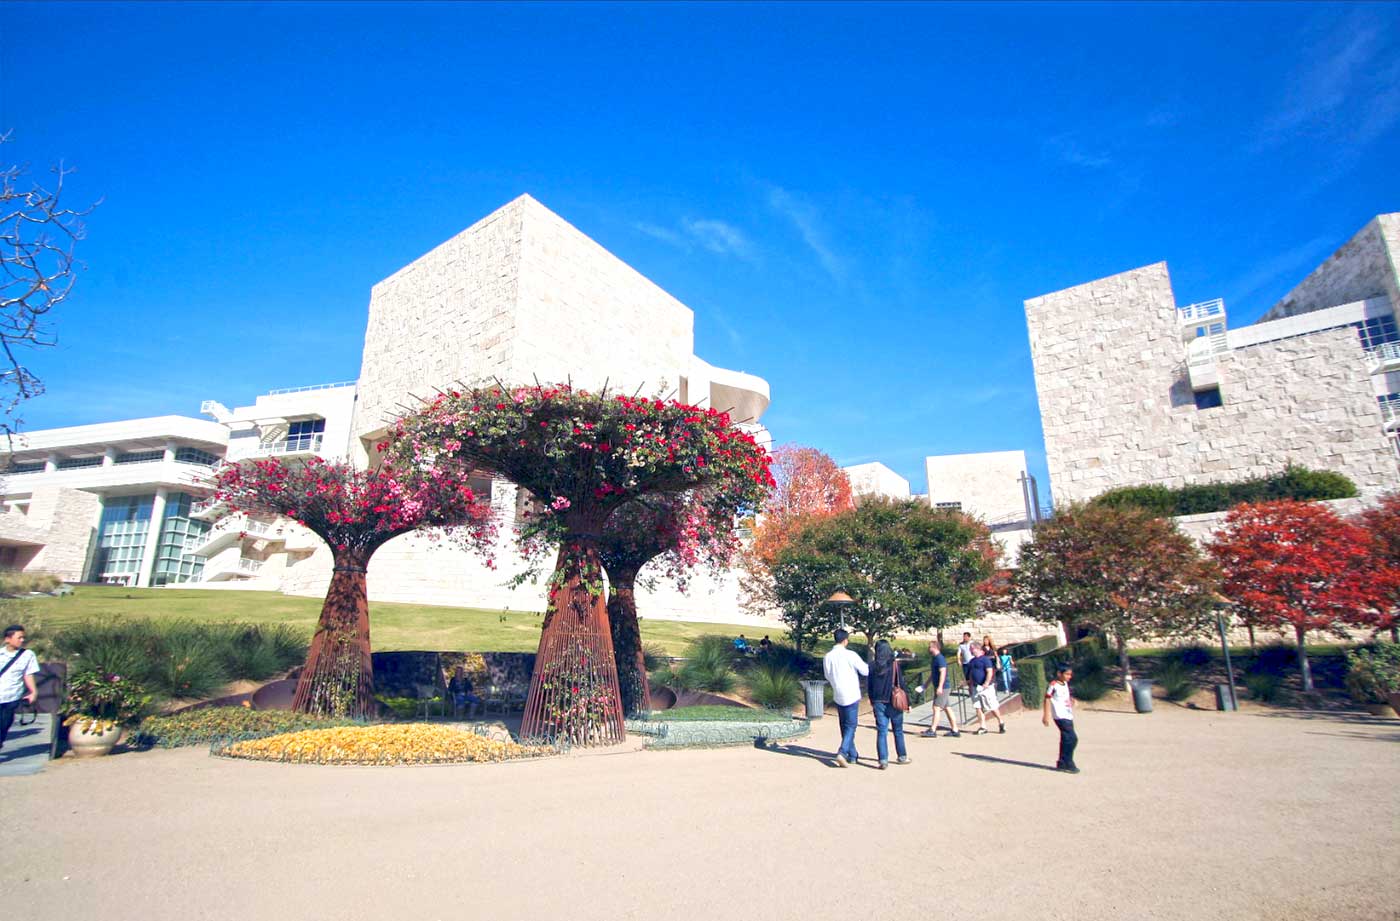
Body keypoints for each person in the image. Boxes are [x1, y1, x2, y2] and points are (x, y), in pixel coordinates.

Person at [822, 628, 868, 768]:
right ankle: (842, 752)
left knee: (844, 725)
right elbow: (865, 671)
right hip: (852, 692)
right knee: (851, 725)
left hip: (838, 692)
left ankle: (852, 754)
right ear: (845, 640)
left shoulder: (828, 656)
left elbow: (827, 675)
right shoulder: (851, 655)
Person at [867, 640, 910, 769]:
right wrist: (908, 701)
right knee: (898, 730)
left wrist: (871, 699)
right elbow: (901, 683)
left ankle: (883, 759)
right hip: (893, 700)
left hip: (879, 701)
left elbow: (869, 685)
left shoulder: (872, 666)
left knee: (882, 731)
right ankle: (902, 756)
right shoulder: (894, 665)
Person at [0, 625, 39, 754]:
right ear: (8, 639)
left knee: (5, 723)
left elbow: (28, 674)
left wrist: (33, 691)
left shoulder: (28, 655)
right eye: (19, 637)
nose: (22, 640)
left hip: (12, 695)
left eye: (23, 637)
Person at [915, 640, 960, 738]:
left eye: (930, 646)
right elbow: (933, 673)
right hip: (940, 687)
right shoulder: (935, 659)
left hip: (943, 687)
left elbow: (943, 672)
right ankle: (955, 729)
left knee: (936, 707)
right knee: (947, 708)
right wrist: (925, 685)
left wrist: (940, 687)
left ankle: (933, 730)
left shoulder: (940, 658)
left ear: (935, 647)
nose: (928, 648)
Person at [1043, 663, 1078, 773]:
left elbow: (1065, 695)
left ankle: (1062, 762)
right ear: (1059, 673)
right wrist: (1046, 715)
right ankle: (1068, 761)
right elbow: (1047, 698)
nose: (1069, 677)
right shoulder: (1054, 685)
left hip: (1067, 714)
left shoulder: (1064, 684)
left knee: (1066, 738)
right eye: (1067, 674)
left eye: (1070, 675)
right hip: (1059, 715)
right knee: (1072, 738)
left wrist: (1072, 700)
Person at [966, 643, 1006, 735]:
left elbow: (989, 672)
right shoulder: (972, 661)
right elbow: (971, 674)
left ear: (976, 649)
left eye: (971, 649)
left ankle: (1001, 722)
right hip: (976, 687)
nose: (970, 651)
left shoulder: (985, 660)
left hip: (986, 687)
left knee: (991, 706)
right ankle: (983, 726)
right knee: (978, 707)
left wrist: (986, 683)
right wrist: (970, 686)